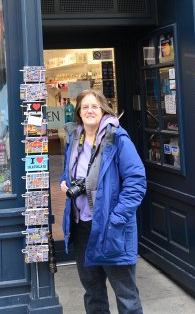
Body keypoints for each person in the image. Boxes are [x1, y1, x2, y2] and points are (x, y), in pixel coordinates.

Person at [59, 89, 146, 314]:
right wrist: (64, 183)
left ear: (103, 110)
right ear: (78, 111)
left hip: (110, 227)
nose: (89, 111)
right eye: (85, 106)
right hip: (82, 228)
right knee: (93, 292)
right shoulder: (73, 137)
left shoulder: (117, 138)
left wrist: (116, 219)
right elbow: (68, 173)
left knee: (126, 295)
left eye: (94, 107)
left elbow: (136, 182)